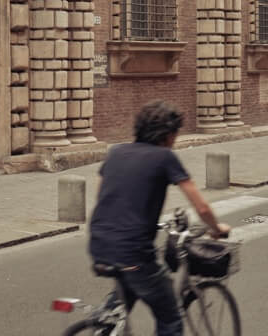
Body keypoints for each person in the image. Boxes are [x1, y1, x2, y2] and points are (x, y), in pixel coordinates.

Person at [89, 100, 231, 336]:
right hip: (133, 252)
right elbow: (202, 207)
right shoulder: (164, 157)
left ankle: (103, 326)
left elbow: (102, 194)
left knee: (125, 296)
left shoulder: (116, 152)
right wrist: (216, 228)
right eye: (175, 134)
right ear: (167, 135)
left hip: (99, 244)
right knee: (171, 318)